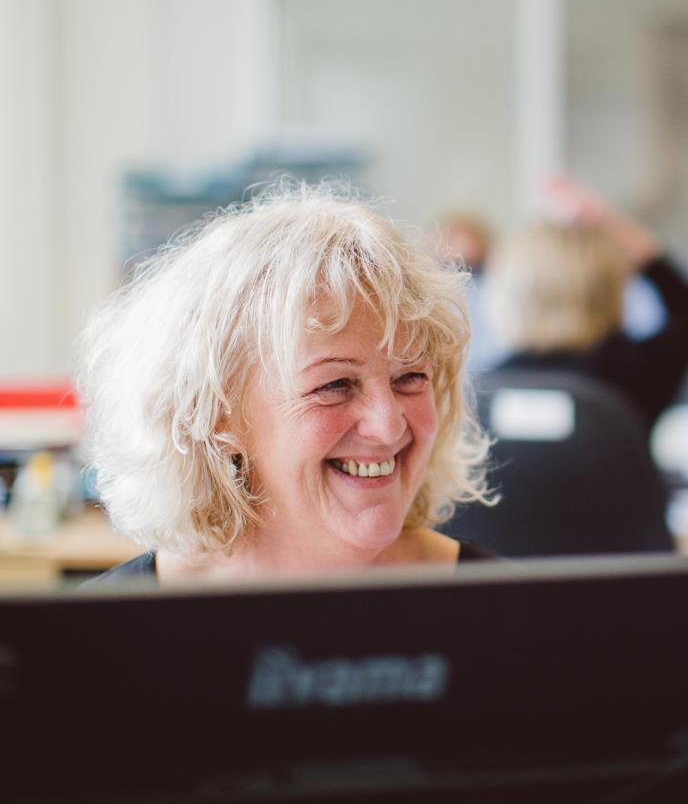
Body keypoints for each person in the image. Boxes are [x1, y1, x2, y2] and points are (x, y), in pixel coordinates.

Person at [78, 182, 496, 586]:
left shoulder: (507, 611)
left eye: (410, 378)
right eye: (335, 385)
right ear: (216, 414)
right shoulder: (102, 636)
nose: (388, 425)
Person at [484, 176, 688, 430]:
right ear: (612, 287)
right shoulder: (639, 375)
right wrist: (605, 219)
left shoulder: (485, 391)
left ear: (509, 293)